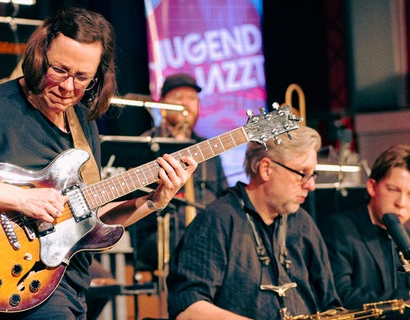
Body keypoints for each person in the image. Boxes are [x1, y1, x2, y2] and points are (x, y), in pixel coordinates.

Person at [0, 7, 196, 319]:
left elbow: (92, 218)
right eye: (59, 70)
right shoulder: (1, 108)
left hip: (68, 284)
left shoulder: (83, 123)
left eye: (82, 77)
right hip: (19, 280)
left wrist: (155, 200)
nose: (68, 87)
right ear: (39, 57)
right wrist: (22, 198)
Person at [167, 125, 341, 319]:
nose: (311, 185)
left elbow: (330, 304)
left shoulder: (303, 223)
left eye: (312, 175)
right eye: (303, 173)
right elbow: (187, 309)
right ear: (266, 168)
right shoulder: (217, 219)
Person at [134, 73, 228, 271]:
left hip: (205, 233)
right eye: (179, 98)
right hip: (159, 234)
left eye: (192, 99)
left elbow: (222, 195)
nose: (187, 104)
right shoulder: (146, 144)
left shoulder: (208, 147)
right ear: (163, 106)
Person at [321, 144, 410, 309]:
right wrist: (404, 300)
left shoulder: (407, 237)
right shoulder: (339, 228)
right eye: (393, 190)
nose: (401, 203)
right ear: (372, 187)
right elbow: (340, 296)